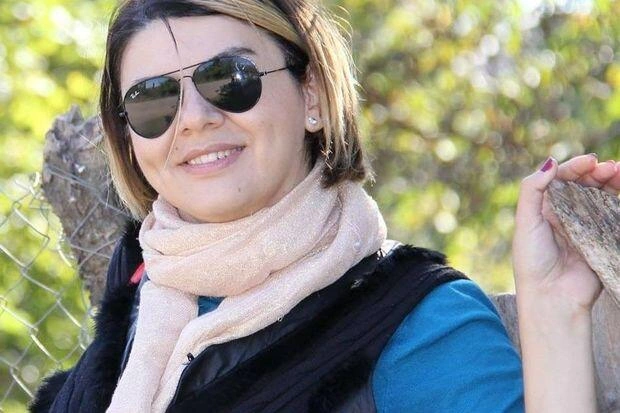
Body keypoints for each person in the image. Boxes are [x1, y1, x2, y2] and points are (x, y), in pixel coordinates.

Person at [29, 0, 619, 412]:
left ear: (311, 95)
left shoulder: (413, 319)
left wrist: (556, 313)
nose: (194, 120)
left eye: (229, 79)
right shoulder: (140, 296)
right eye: (153, 100)